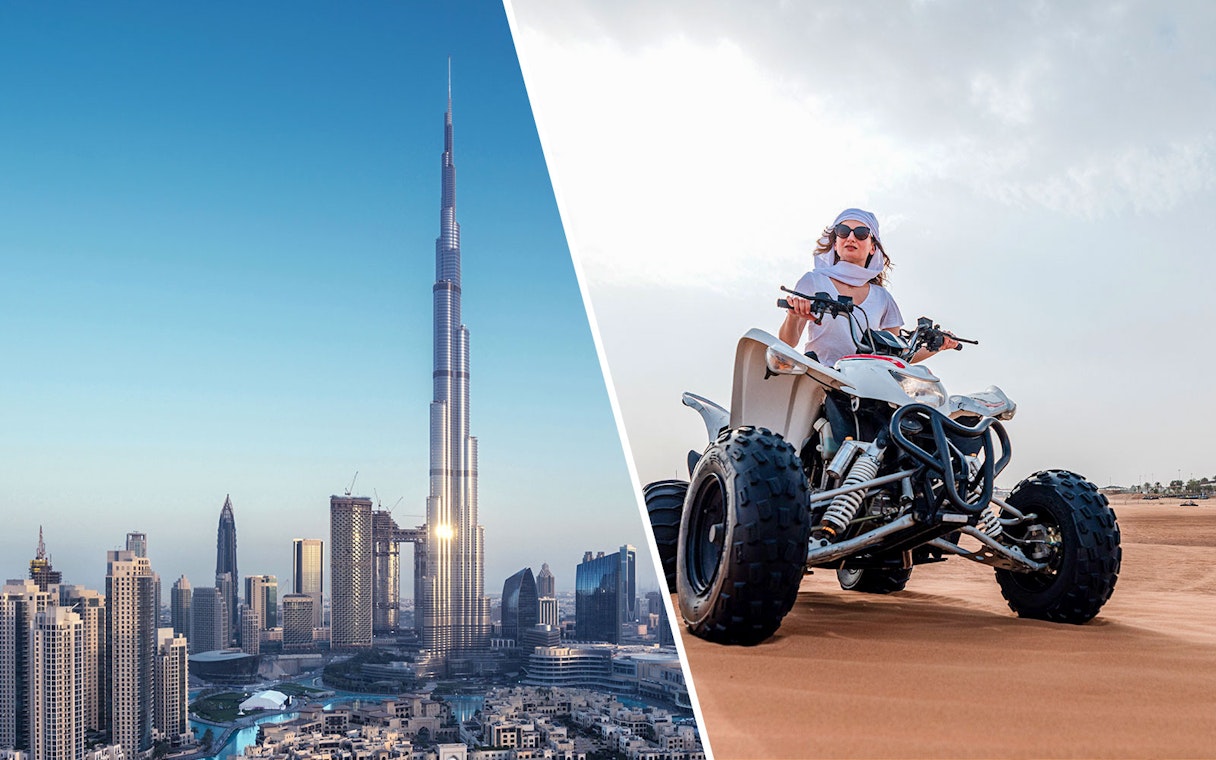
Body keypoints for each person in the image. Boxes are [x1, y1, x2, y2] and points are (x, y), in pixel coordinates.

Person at [778, 207, 957, 365]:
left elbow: (899, 356)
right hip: (819, 377)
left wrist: (938, 346)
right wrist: (793, 316)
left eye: (861, 233)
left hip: (864, 384)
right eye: (843, 231)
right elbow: (787, 342)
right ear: (835, 243)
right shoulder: (813, 281)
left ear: (873, 247)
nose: (850, 237)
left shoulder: (882, 297)